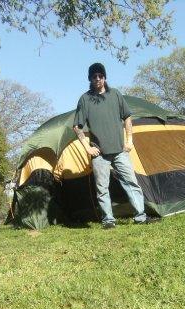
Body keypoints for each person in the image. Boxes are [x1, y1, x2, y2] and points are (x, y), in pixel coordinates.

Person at [73, 62, 160, 229]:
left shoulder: (115, 95)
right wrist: (87, 148)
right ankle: (108, 221)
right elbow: (77, 126)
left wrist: (129, 141)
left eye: (100, 75)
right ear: (90, 78)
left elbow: (127, 117)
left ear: (104, 77)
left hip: (120, 150)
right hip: (99, 154)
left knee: (132, 183)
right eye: (94, 76)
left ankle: (140, 217)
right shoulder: (85, 99)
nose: (97, 79)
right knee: (102, 189)